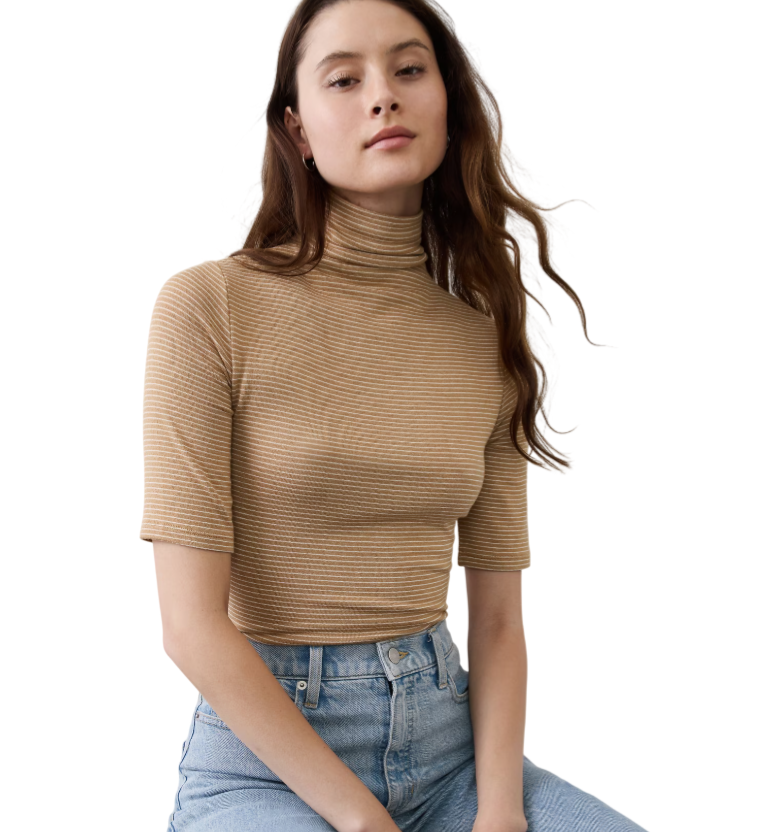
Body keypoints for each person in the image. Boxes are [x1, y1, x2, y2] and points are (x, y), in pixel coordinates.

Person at [140, 1, 650, 830]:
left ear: (447, 103)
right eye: (345, 78)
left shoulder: (481, 338)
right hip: (265, 768)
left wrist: (500, 814)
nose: (383, 95)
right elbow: (190, 626)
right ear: (298, 129)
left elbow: (496, 622)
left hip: (453, 756)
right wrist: (366, 822)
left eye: (409, 69)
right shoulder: (210, 307)